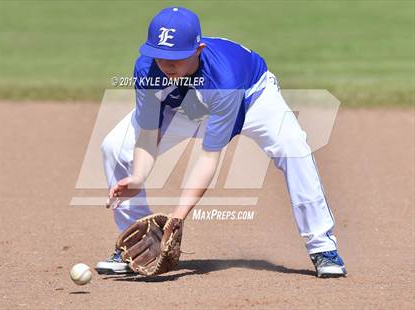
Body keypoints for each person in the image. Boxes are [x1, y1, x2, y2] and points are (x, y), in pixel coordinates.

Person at [94, 6, 346, 278]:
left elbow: (208, 157)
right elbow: (147, 133)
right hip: (182, 106)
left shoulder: (225, 78)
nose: (166, 65)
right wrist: (137, 175)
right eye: (160, 56)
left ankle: (322, 247)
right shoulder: (147, 68)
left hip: (251, 99)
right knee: (114, 147)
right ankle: (137, 244)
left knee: (293, 147)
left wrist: (176, 219)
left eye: (176, 57)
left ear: (198, 50)